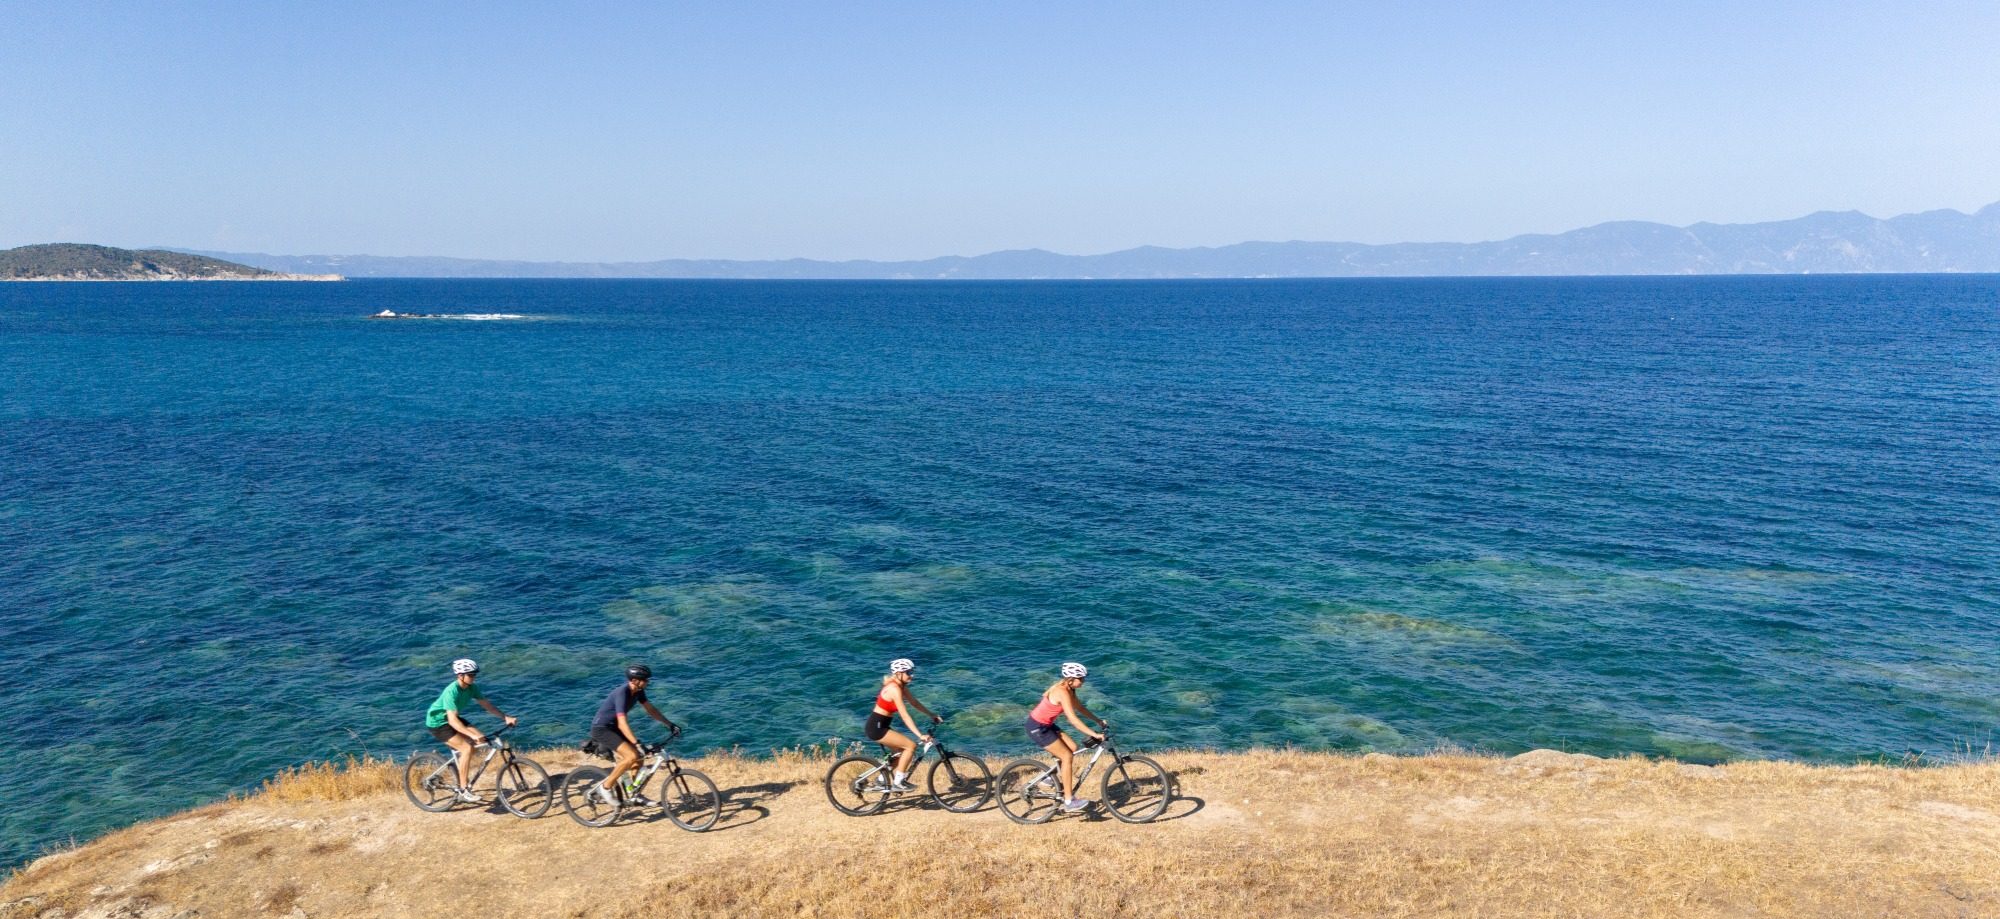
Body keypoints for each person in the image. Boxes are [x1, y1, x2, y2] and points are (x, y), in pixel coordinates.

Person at [424, 658, 518, 803]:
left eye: (474, 675)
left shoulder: (472, 687)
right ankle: (463, 790)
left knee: (481, 739)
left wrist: (505, 717)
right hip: (438, 723)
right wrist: (470, 735)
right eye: (471, 675)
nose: (473, 677)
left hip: (452, 719)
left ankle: (460, 771)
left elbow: (487, 705)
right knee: (467, 748)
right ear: (460, 675)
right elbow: (452, 721)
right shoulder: (452, 691)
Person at [589, 664, 679, 806]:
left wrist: (670, 724)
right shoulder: (622, 693)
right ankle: (605, 787)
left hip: (614, 727)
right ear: (635, 680)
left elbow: (651, 710)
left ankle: (634, 794)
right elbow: (622, 723)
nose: (648, 682)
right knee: (631, 756)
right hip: (602, 729)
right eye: (645, 679)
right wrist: (636, 742)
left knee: (639, 757)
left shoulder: (638, 691)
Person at [1026, 662, 1107, 812]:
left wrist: (1098, 721)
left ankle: (1049, 778)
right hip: (1037, 727)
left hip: (1047, 725)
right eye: (1081, 679)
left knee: (1073, 747)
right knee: (1067, 757)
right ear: (1071, 680)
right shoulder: (1062, 691)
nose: (1083, 681)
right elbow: (1073, 719)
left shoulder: (1070, 690)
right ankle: (1069, 801)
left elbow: (1080, 708)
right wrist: (1094, 734)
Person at [865, 658, 942, 791]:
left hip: (882, 725)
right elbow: (905, 715)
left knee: (901, 753)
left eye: (912, 671)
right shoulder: (894, 689)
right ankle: (898, 782)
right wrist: (919, 735)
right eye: (908, 672)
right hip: (876, 727)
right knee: (910, 747)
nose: (911, 675)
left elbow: (914, 703)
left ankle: (881, 780)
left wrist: (932, 714)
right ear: (899, 673)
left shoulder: (901, 686)